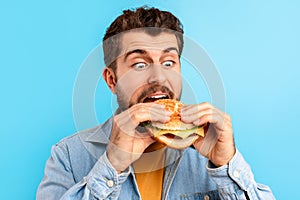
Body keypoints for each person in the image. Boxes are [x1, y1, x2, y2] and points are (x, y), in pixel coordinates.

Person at [37, 6, 275, 200]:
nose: (159, 78)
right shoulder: (68, 155)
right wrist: (112, 165)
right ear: (112, 80)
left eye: (169, 62)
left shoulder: (211, 151)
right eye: (139, 64)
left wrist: (227, 166)